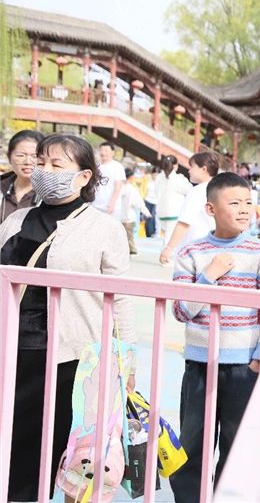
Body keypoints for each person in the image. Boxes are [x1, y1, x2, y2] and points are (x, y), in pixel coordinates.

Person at [0, 133, 135, 501]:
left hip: (72, 361)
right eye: (41, 162)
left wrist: (127, 362)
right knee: (16, 449)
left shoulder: (104, 229)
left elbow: (121, 299)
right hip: (15, 354)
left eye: (57, 164)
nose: (44, 170)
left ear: (84, 176)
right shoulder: (16, 221)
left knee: (69, 453)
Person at [167, 172, 260, 501]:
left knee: (236, 446)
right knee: (191, 444)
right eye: (234, 203)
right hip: (200, 365)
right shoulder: (191, 252)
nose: (244, 209)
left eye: (248, 202)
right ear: (211, 209)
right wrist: (209, 277)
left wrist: (258, 357)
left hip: (243, 367)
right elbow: (181, 310)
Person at [159, 152, 218, 264]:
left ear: (203, 169)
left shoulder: (196, 191)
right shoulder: (219, 189)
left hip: (194, 248)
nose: (189, 171)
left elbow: (185, 222)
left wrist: (169, 248)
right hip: (214, 247)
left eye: (192, 167)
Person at [1, 130, 44, 224]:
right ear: (9, 157)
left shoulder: (51, 194)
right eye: (21, 155)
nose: (28, 162)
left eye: (35, 156)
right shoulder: (1, 187)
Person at [156, 155, 193, 260]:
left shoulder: (159, 177)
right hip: (173, 212)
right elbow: (189, 189)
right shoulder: (177, 179)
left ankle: (167, 254)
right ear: (176, 166)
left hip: (161, 211)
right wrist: (184, 178)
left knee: (167, 234)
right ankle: (166, 256)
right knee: (169, 235)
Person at [120, 167, 151, 255]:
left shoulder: (119, 188)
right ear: (132, 177)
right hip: (129, 216)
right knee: (129, 236)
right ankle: (132, 251)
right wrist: (146, 212)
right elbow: (139, 202)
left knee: (123, 235)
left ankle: (126, 251)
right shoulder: (132, 190)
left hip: (119, 216)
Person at [91, 141, 126, 219]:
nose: (103, 153)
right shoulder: (96, 166)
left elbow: (118, 186)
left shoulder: (117, 167)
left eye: (106, 150)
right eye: (102, 150)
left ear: (113, 153)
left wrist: (112, 203)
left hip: (111, 208)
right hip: (95, 205)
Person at [144, 165, 160, 237]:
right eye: (154, 174)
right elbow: (143, 188)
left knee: (154, 217)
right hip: (148, 199)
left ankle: (154, 232)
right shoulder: (147, 179)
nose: (155, 176)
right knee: (148, 217)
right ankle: (148, 233)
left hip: (156, 201)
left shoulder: (161, 181)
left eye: (157, 175)